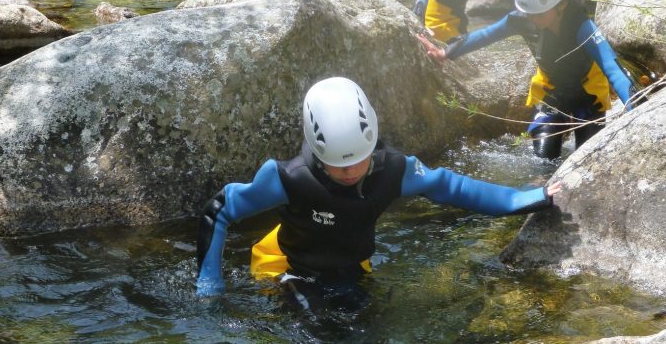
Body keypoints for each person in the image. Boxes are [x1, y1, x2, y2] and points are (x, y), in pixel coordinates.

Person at [196, 77, 562, 302]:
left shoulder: (396, 170)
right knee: (315, 329)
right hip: (291, 267)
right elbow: (220, 211)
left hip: (352, 264)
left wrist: (524, 197)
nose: (350, 171)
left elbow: (453, 187)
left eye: (358, 159)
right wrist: (209, 283)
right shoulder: (287, 177)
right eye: (337, 164)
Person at [419, 0, 636, 159]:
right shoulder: (523, 18)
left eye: (539, 15)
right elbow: (486, 35)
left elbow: (612, 68)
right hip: (551, 92)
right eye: (529, 14)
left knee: (588, 157)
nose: (532, 20)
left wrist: (635, 109)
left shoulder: (582, 25)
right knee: (543, 158)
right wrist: (445, 52)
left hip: (588, 96)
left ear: (561, 4)